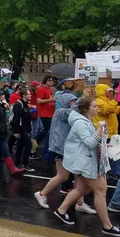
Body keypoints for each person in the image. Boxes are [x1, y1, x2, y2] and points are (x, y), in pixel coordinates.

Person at [53, 98, 120, 235]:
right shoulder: (80, 123)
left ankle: (61, 210)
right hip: (86, 163)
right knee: (101, 192)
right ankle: (107, 226)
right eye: (94, 106)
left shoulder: (85, 121)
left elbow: (86, 142)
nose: (98, 108)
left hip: (86, 161)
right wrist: (100, 129)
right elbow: (89, 143)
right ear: (85, 109)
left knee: (83, 189)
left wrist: (104, 145)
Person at [35, 93, 96, 215]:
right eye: (72, 101)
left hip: (68, 149)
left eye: (74, 101)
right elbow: (71, 112)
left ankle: (80, 203)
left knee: (78, 176)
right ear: (66, 101)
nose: (74, 104)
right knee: (63, 176)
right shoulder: (61, 112)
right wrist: (82, 99)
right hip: (61, 149)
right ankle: (42, 194)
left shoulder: (68, 113)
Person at [9, 89, 35, 172]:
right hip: (22, 129)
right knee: (28, 145)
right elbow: (16, 118)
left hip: (26, 128)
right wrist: (16, 131)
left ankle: (18, 163)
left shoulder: (26, 104)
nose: (30, 95)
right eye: (28, 94)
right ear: (24, 95)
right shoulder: (18, 104)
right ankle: (25, 163)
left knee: (20, 146)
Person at [35, 76, 56, 157]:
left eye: (52, 81)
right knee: (47, 130)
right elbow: (39, 101)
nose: (51, 82)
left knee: (48, 130)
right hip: (44, 113)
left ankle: (37, 141)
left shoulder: (50, 90)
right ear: (45, 81)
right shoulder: (41, 89)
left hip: (51, 113)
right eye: (49, 81)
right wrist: (50, 100)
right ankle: (35, 140)